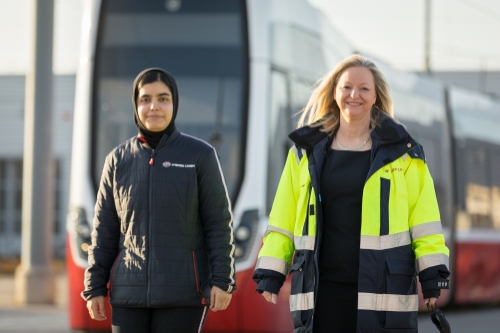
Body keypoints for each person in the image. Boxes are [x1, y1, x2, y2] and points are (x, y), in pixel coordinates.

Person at [253, 54, 450, 332]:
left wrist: (432, 276)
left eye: (364, 88)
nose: (353, 95)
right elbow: (283, 218)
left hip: (382, 291)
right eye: (346, 87)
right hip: (321, 290)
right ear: (335, 92)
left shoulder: (403, 154)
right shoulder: (304, 152)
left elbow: (425, 222)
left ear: (375, 96)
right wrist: (271, 271)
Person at [82, 68, 236, 333]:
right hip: (128, 295)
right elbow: (103, 232)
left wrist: (222, 280)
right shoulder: (117, 161)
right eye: (145, 99)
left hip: (183, 295)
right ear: (136, 104)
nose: (154, 106)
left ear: (174, 104)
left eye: (163, 98)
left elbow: (218, 223)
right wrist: (94, 287)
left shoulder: (200, 155)